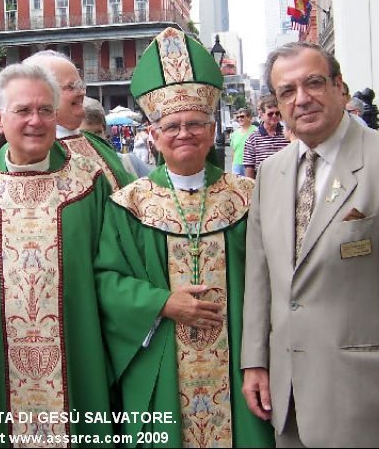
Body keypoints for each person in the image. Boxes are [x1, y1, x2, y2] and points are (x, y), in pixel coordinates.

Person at [241, 42, 379, 447]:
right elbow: (260, 277)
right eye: (287, 91)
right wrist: (255, 362)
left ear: (341, 88)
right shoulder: (270, 173)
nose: (302, 99)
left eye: (313, 83)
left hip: (364, 397)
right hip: (288, 396)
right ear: (277, 105)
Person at [94, 27, 274, 448]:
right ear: (153, 137)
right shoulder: (130, 203)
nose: (184, 133)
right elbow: (105, 280)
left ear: (213, 131)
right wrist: (162, 302)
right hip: (163, 363)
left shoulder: (247, 198)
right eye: (171, 125)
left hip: (237, 364)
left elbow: (270, 280)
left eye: (195, 123)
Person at [0, 63, 113, 444]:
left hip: (76, 363)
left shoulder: (91, 182)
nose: (36, 120)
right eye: (23, 110)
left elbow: (119, 269)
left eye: (45, 110)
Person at [24, 50, 133, 191]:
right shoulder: (28, 152)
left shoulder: (98, 143)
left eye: (80, 85)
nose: (81, 92)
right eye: (71, 87)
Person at [81, 97, 153, 179]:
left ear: (104, 132)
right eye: (86, 134)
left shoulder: (129, 163)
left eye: (98, 132)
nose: (93, 139)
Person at [242, 95, 290, 179]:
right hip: (262, 185)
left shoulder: (288, 135)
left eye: (277, 113)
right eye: (270, 114)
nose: (274, 116)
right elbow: (249, 168)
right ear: (261, 114)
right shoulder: (252, 139)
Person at [230, 108, 258, 175]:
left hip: (250, 165)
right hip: (236, 165)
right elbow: (233, 151)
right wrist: (233, 165)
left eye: (242, 116)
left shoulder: (256, 131)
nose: (239, 119)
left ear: (249, 118)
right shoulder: (234, 134)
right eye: (238, 117)